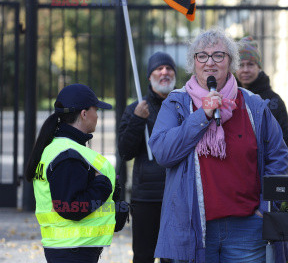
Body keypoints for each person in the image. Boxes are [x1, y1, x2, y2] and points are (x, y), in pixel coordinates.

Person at [148, 27, 288, 263]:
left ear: (230, 62)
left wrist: (266, 208)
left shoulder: (254, 105)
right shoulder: (176, 103)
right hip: (194, 229)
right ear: (193, 63)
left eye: (218, 56)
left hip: (248, 229)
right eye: (202, 56)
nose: (210, 63)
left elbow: (278, 156)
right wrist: (201, 116)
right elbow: (163, 152)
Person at [25, 84, 116, 263]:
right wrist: (102, 186)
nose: (97, 116)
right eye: (95, 110)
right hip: (73, 251)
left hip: (69, 249)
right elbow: (69, 207)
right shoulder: (67, 155)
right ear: (84, 114)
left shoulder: (60, 147)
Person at [118, 52, 177, 263]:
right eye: (159, 69)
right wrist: (137, 121)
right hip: (146, 198)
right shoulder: (136, 109)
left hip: (177, 195)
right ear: (149, 76)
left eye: (169, 68)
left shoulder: (183, 106)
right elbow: (125, 151)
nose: (164, 72)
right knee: (143, 256)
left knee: (175, 257)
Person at [236, 36, 288, 151]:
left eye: (250, 64)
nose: (245, 70)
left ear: (259, 67)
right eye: (241, 65)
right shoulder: (229, 98)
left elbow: (285, 142)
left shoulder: (274, 101)